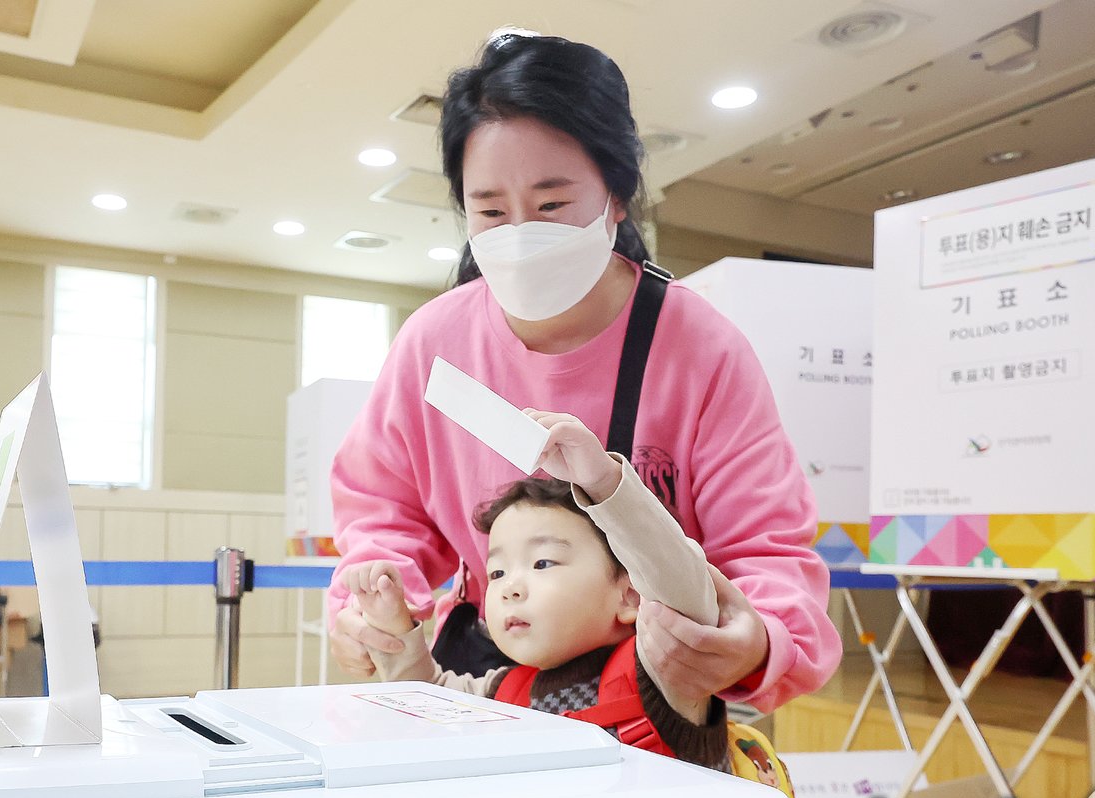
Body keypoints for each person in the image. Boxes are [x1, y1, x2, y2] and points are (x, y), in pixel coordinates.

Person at [328, 31, 839, 714]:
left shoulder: (698, 348)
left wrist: (758, 639)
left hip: (657, 687)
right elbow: (383, 507)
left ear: (616, 196)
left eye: (550, 205)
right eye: (489, 211)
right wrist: (373, 598)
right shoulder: (434, 345)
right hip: (488, 677)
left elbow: (765, 550)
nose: (518, 233)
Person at [345, 411, 846, 798]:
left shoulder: (663, 670)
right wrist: (397, 634)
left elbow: (680, 583)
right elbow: (433, 705)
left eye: (543, 564)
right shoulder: (503, 691)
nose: (511, 586)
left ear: (630, 593)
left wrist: (605, 485)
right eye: (497, 571)